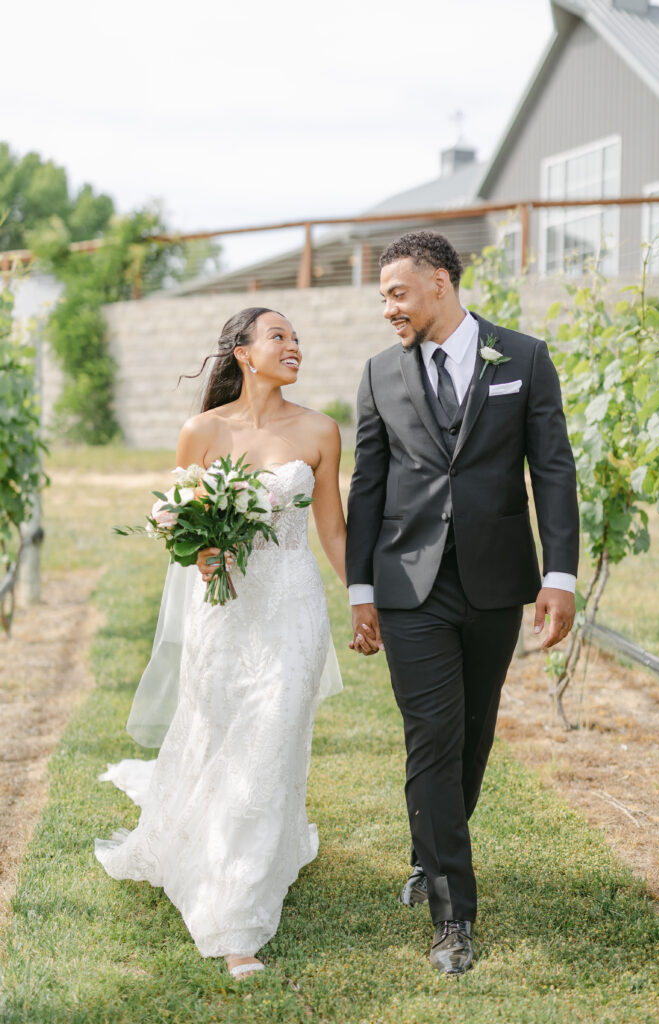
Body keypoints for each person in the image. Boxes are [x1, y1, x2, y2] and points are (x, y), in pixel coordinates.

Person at [345, 231, 579, 976]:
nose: (387, 308)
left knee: (473, 736)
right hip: (408, 582)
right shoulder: (380, 374)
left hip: (495, 580)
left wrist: (560, 576)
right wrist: (359, 589)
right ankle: (453, 917)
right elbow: (368, 483)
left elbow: (551, 468)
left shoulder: (524, 358)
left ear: (440, 283)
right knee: (432, 737)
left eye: (397, 292)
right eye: (383, 295)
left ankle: (429, 844)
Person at [95, 307, 346, 980]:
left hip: (291, 611)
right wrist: (200, 551)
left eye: (297, 337)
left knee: (271, 736)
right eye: (279, 336)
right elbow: (180, 530)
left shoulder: (321, 430)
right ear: (242, 352)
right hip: (224, 612)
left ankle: (235, 917)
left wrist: (364, 599)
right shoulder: (200, 432)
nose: (294, 345)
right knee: (216, 736)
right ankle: (201, 844)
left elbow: (333, 532)